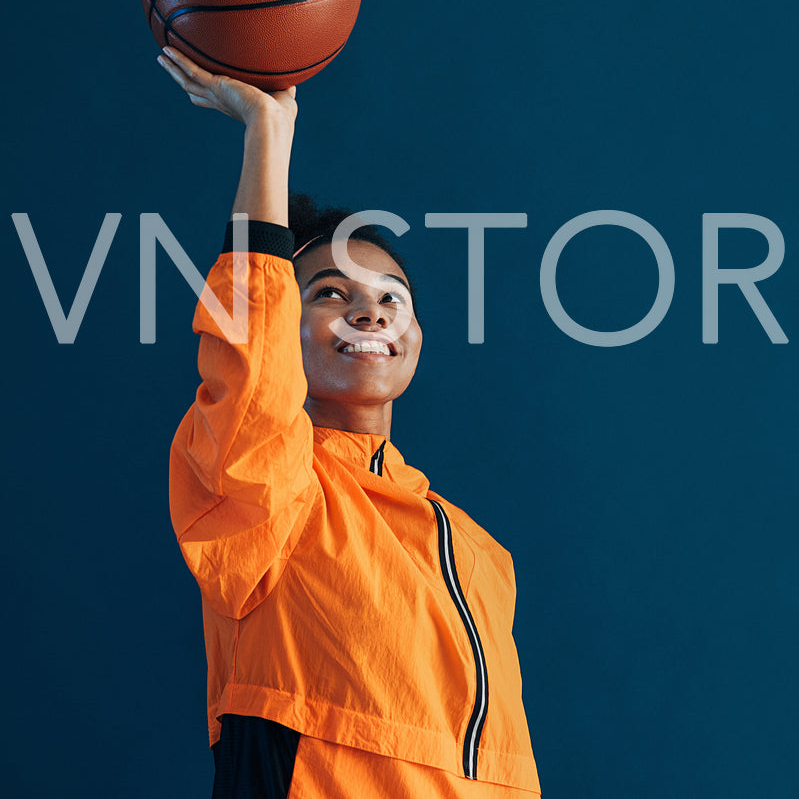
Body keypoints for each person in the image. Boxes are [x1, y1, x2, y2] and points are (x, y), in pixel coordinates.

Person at [159, 46, 541, 798]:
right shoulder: (263, 495)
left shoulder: (477, 551)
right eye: (328, 293)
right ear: (282, 326)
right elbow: (249, 359)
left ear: (418, 335)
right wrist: (268, 136)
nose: (369, 310)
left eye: (391, 296)